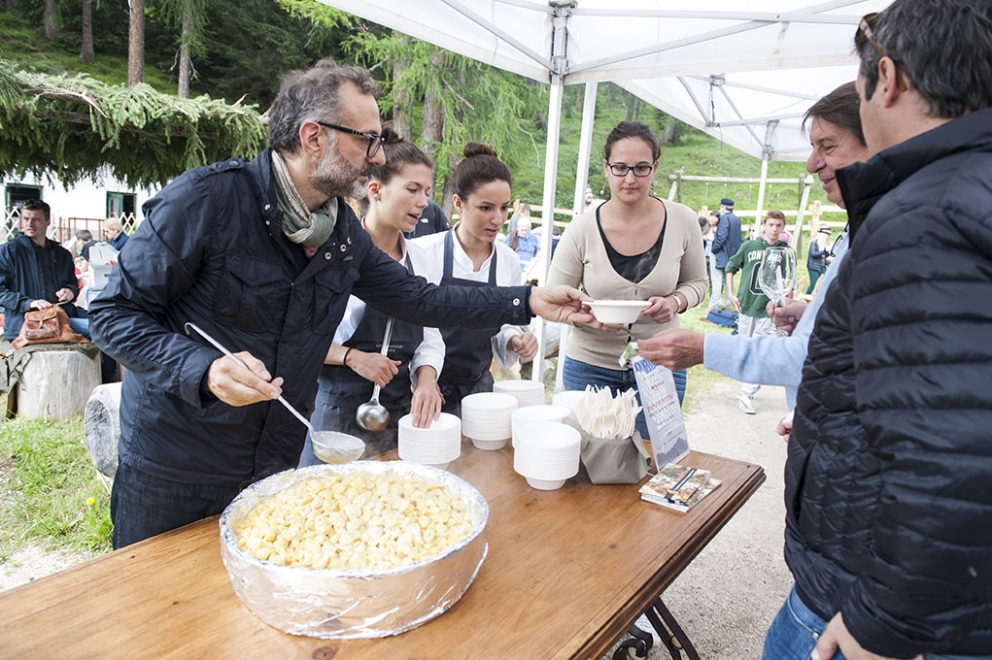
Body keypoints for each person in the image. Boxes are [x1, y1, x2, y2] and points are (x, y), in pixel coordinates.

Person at [88, 60, 594, 549]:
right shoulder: (207, 201)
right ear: (313, 137)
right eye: (366, 139)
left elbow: (421, 299)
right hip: (176, 465)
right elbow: (112, 314)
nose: (377, 155)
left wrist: (524, 298)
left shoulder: (341, 234)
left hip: (274, 460)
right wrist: (203, 369)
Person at [765, 2, 992, 659]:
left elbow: (956, 451)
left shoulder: (922, 212)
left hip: (881, 596)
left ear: (886, 78)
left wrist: (879, 620)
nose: (813, 164)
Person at [634, 82, 870, 411]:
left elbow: (814, 357)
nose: (811, 164)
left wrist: (703, 347)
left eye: (827, 147)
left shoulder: (888, 234)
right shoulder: (863, 225)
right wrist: (813, 317)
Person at [546, 121, 708, 436]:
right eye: (620, 167)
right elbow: (554, 297)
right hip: (589, 366)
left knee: (653, 463)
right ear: (606, 168)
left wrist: (675, 302)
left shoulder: (683, 220)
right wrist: (589, 315)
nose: (630, 178)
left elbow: (698, 284)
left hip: (660, 364)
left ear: (655, 168)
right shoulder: (582, 229)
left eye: (641, 168)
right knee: (587, 463)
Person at [298, 132, 444, 464]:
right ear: (375, 190)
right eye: (412, 190)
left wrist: (426, 379)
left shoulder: (422, 260)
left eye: (426, 192)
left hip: (398, 415)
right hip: (338, 415)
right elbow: (300, 337)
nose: (423, 202)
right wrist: (352, 357)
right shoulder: (334, 255)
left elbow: (430, 335)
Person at [415, 143, 538, 414]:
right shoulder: (425, 252)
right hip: (425, 389)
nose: (498, 219)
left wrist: (516, 339)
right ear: (459, 203)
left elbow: (506, 324)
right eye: (485, 208)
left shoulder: (507, 259)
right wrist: (425, 377)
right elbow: (418, 327)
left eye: (505, 208)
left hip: (480, 389)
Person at [722, 209, 787, 415]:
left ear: (783, 228)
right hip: (746, 304)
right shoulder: (750, 246)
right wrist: (731, 294)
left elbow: (788, 279)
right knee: (744, 349)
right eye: (771, 225)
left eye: (778, 225)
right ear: (764, 226)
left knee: (759, 352)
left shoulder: (785, 251)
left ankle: (747, 393)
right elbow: (731, 266)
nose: (774, 229)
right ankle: (745, 386)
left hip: (767, 309)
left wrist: (786, 305)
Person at [0, 199, 89, 341]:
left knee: (108, 324)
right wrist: (28, 303)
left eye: (36, 219)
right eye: (26, 219)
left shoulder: (62, 254)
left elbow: (73, 284)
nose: (29, 224)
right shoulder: (8, 252)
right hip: (27, 322)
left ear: (48, 221)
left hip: (63, 315)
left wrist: (69, 290)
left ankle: (105, 364)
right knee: (97, 329)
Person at [707, 197, 742, 308]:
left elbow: (721, 236)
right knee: (728, 282)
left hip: (721, 254)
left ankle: (713, 306)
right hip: (733, 256)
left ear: (723, 207)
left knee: (716, 280)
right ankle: (727, 305)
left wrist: (714, 249)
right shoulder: (737, 219)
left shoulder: (723, 219)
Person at [804, 225, 830, 294]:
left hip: (822, 265)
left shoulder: (824, 244)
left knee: (821, 283)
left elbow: (825, 256)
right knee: (813, 285)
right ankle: (807, 296)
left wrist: (827, 253)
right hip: (813, 266)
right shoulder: (814, 243)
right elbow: (813, 254)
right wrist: (823, 251)